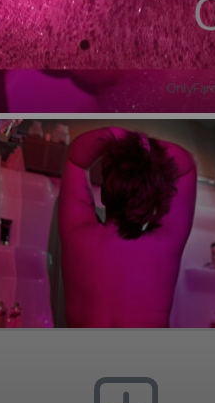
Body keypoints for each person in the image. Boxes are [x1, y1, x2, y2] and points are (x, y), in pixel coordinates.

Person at [58, 127, 197, 326]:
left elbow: (75, 158)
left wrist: (123, 138)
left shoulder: (76, 235)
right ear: (150, 199)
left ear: (103, 194)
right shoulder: (167, 243)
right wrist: (143, 145)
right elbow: (187, 164)